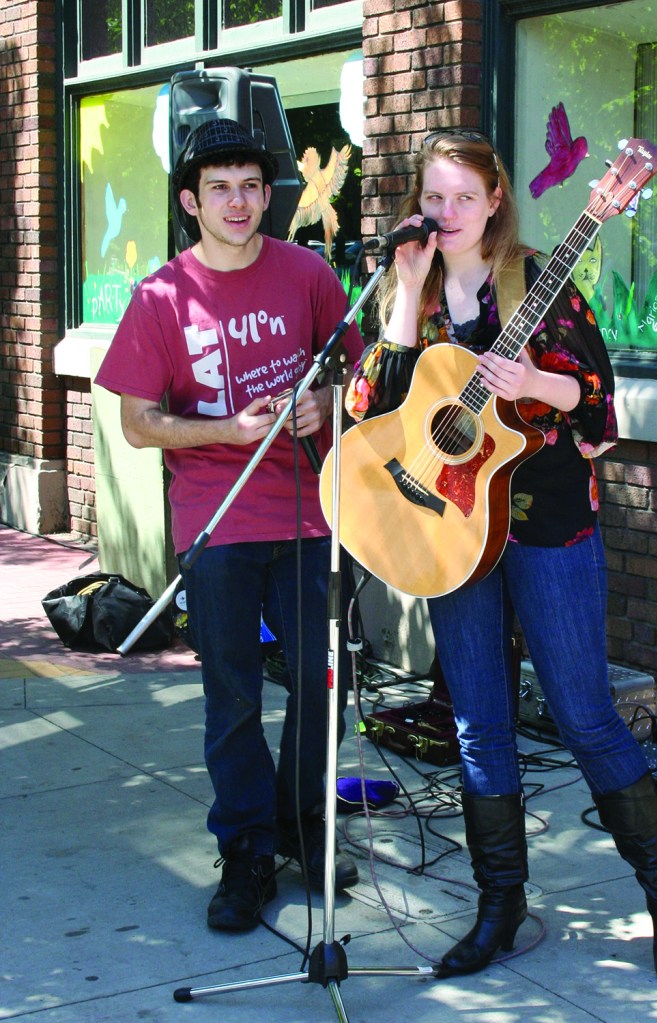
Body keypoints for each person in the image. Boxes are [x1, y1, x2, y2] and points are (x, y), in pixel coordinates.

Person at [345, 129, 657, 984]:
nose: (449, 214)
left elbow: (599, 402)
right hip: (452, 529)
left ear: (496, 199)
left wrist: (535, 385)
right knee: (477, 722)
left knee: (582, 713)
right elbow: (369, 408)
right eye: (435, 198)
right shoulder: (413, 288)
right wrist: (403, 294)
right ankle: (499, 902)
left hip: (545, 522)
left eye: (466, 196)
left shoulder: (538, 277)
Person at [95, 118, 364, 932]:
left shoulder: (308, 273)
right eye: (220, 188)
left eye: (251, 184)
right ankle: (245, 849)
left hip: (309, 515)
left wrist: (326, 403)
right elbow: (140, 423)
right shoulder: (160, 298)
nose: (239, 201)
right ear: (191, 200)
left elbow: (353, 367)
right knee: (234, 698)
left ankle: (300, 823)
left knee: (327, 682)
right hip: (215, 521)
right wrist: (226, 430)